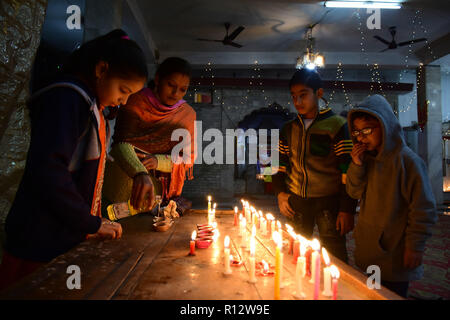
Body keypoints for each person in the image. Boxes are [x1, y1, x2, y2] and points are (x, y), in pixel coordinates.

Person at [0, 29, 148, 291]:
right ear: (102, 69)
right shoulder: (67, 99)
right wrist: (89, 222)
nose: (123, 101)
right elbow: (48, 170)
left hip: (62, 235)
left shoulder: (91, 106)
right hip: (39, 237)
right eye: (123, 90)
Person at [346, 94, 437, 298]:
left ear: (385, 125)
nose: (361, 137)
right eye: (357, 132)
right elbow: (353, 191)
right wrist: (357, 165)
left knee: (390, 294)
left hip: (395, 251)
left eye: (367, 130)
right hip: (370, 249)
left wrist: (415, 246)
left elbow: (424, 209)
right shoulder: (366, 160)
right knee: (370, 293)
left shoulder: (408, 162)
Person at [272, 68, 357, 263]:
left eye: (303, 95)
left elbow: (348, 172)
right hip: (297, 201)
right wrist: (280, 193)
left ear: (319, 93)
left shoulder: (337, 126)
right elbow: (276, 165)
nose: (297, 102)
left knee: (334, 255)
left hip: (329, 202)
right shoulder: (288, 128)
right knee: (296, 252)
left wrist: (347, 209)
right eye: (294, 96)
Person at [102, 57, 196, 216]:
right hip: (124, 181)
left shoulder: (187, 114)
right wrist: (140, 171)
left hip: (161, 192)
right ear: (158, 79)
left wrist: (158, 161)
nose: (175, 94)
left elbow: (188, 158)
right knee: (117, 220)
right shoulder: (135, 100)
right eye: (171, 85)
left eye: (183, 89)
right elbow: (120, 144)